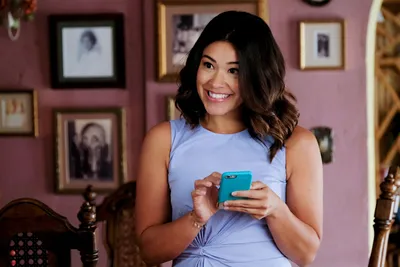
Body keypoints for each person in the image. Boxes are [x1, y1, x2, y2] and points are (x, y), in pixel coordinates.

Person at [135, 10, 323, 267]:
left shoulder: (296, 143)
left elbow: (306, 255)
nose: (216, 82)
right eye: (209, 65)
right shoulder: (163, 140)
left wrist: (275, 209)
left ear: (257, 76)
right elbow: (149, 252)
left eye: (234, 71)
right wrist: (196, 217)